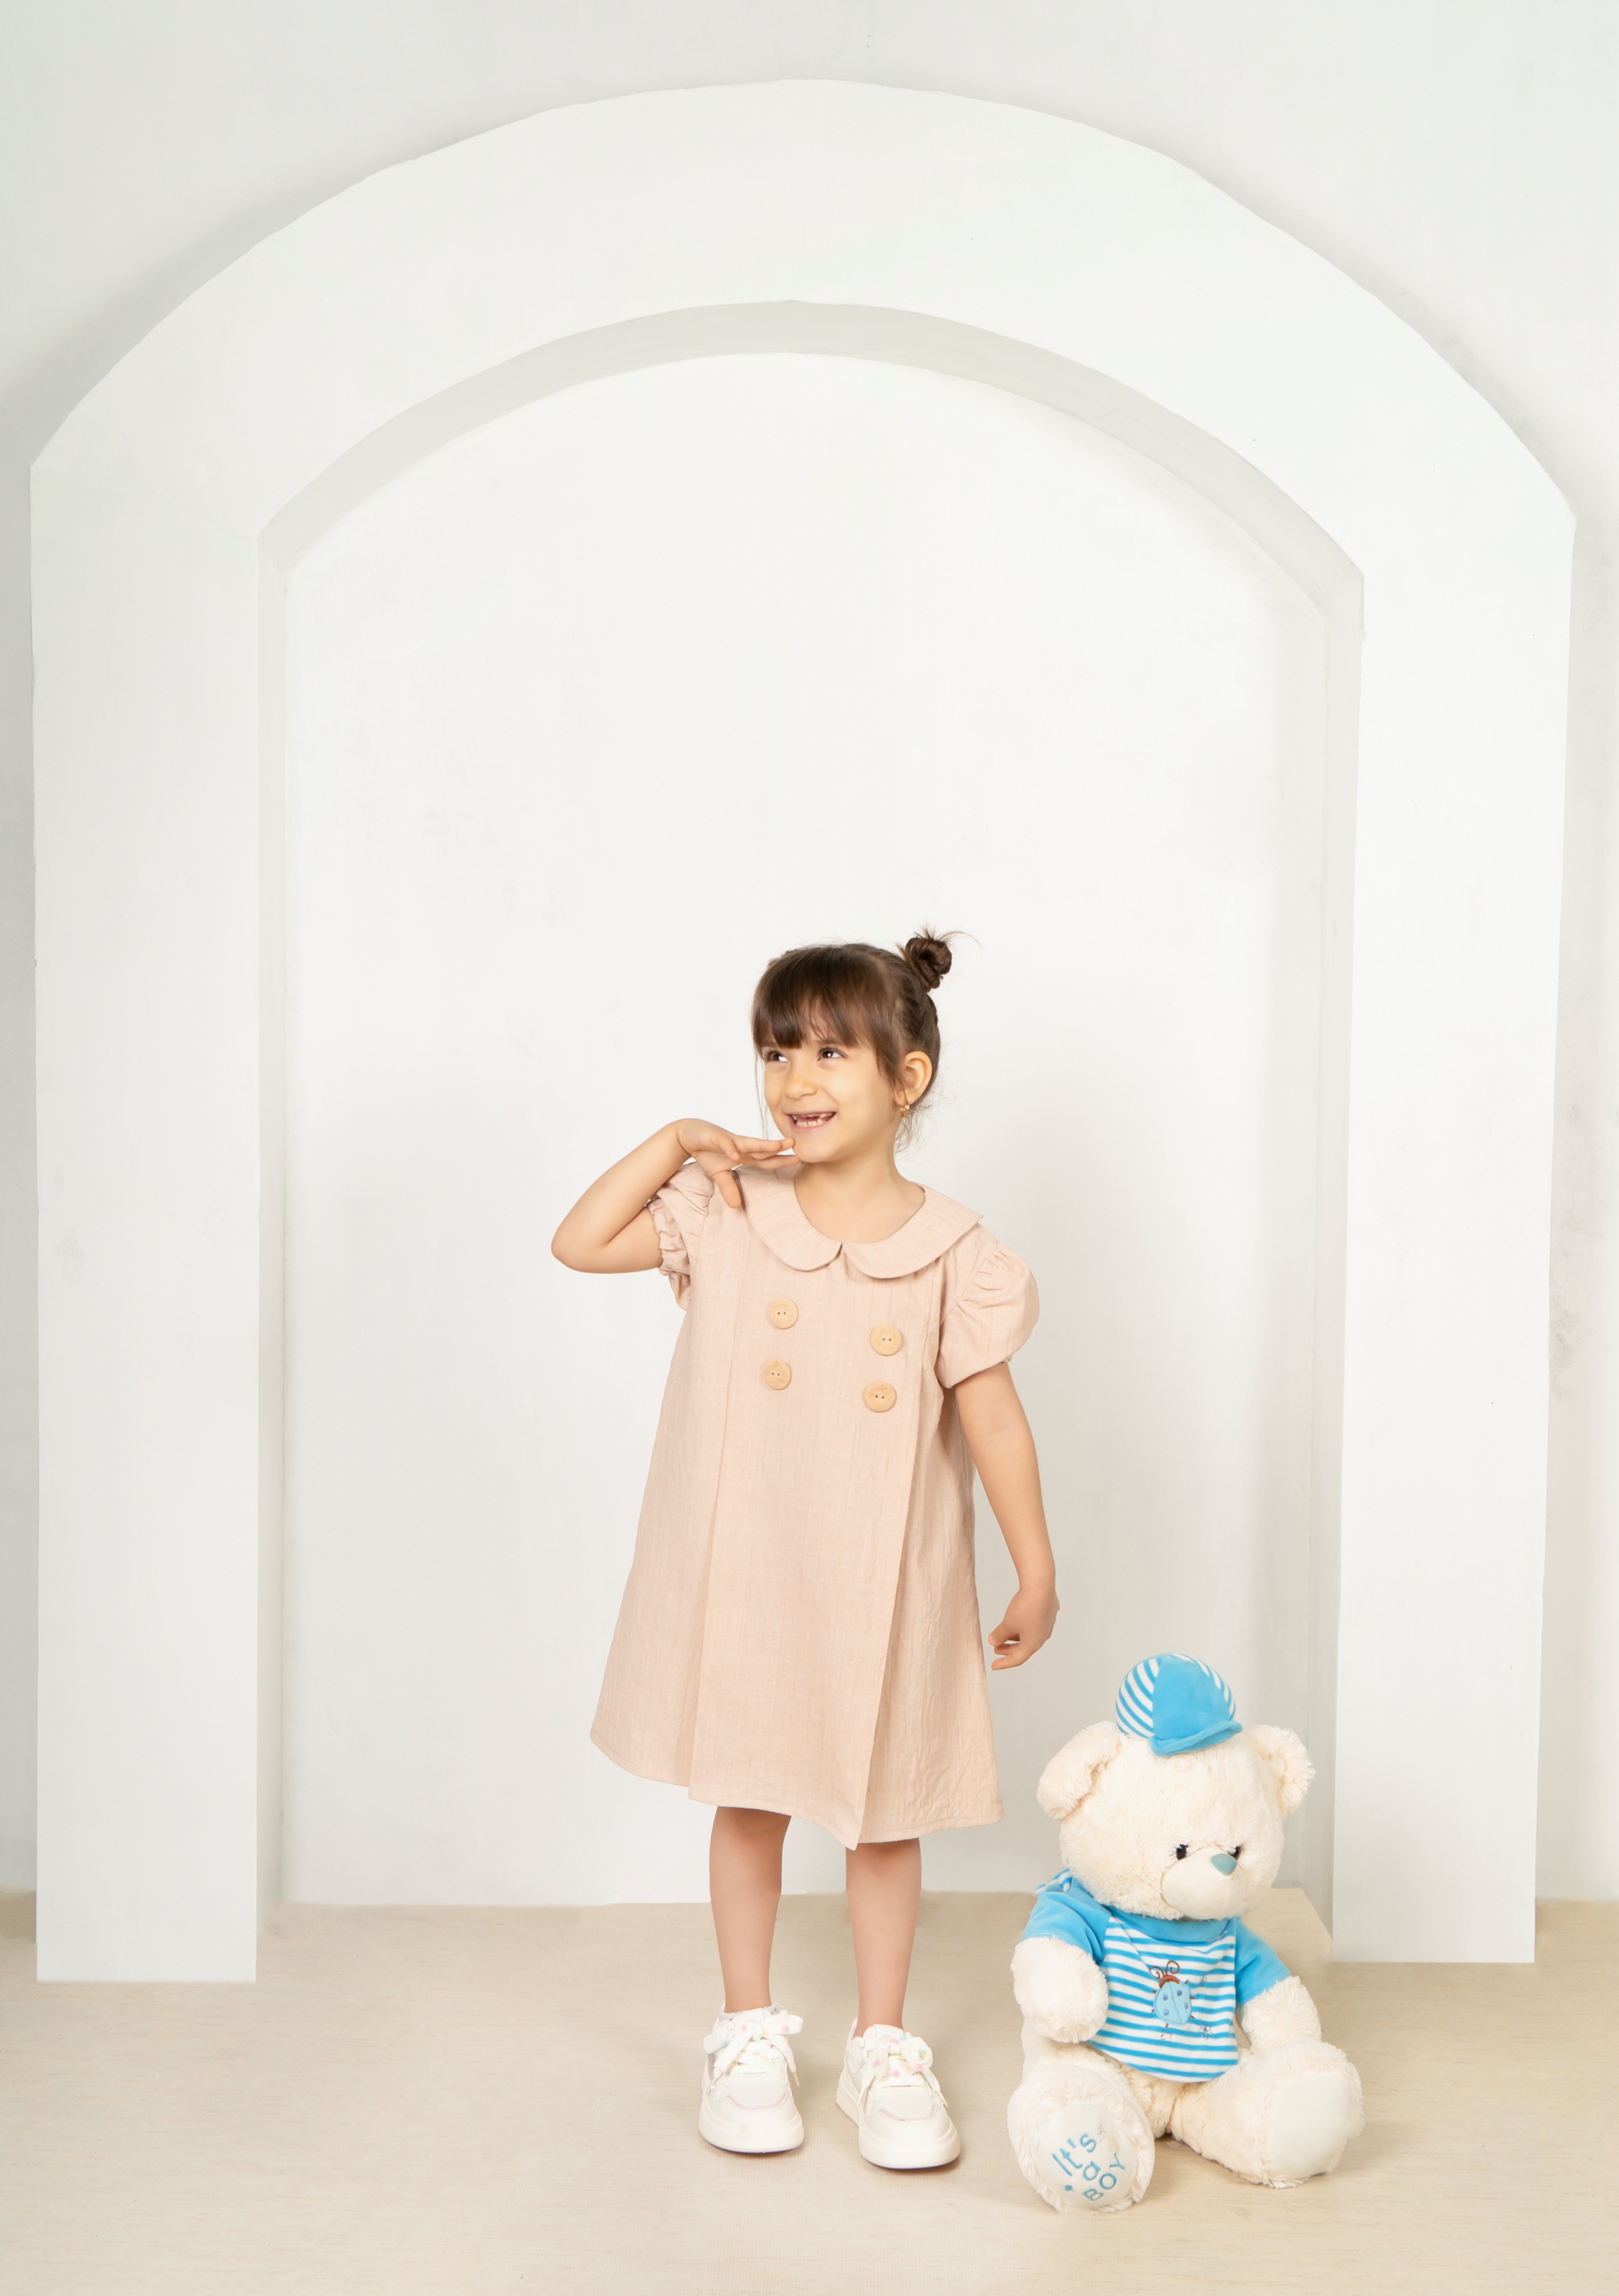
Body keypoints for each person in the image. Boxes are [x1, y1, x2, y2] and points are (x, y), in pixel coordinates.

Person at [552, 932, 1059, 2169]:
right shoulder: (729, 1208)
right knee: (751, 1795)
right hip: (749, 1567)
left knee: (884, 1817)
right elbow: (579, 1241)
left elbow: (992, 1418)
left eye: (830, 1052)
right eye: (776, 1052)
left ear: (907, 1078)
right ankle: (745, 2032)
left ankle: (882, 2044)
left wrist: (1035, 1568)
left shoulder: (953, 1251)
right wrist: (679, 1139)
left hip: (883, 1576)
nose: (794, 1079)